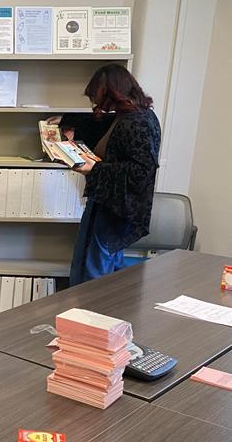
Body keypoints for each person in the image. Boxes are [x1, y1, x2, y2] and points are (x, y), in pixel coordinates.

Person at [50, 64, 161, 286]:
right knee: (100, 266)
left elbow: (141, 171)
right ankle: (92, 314)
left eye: (98, 96)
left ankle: (88, 317)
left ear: (112, 92)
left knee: (94, 273)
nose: (95, 104)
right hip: (109, 204)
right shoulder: (130, 116)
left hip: (116, 210)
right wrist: (66, 121)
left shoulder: (137, 123)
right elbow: (103, 128)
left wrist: (94, 169)